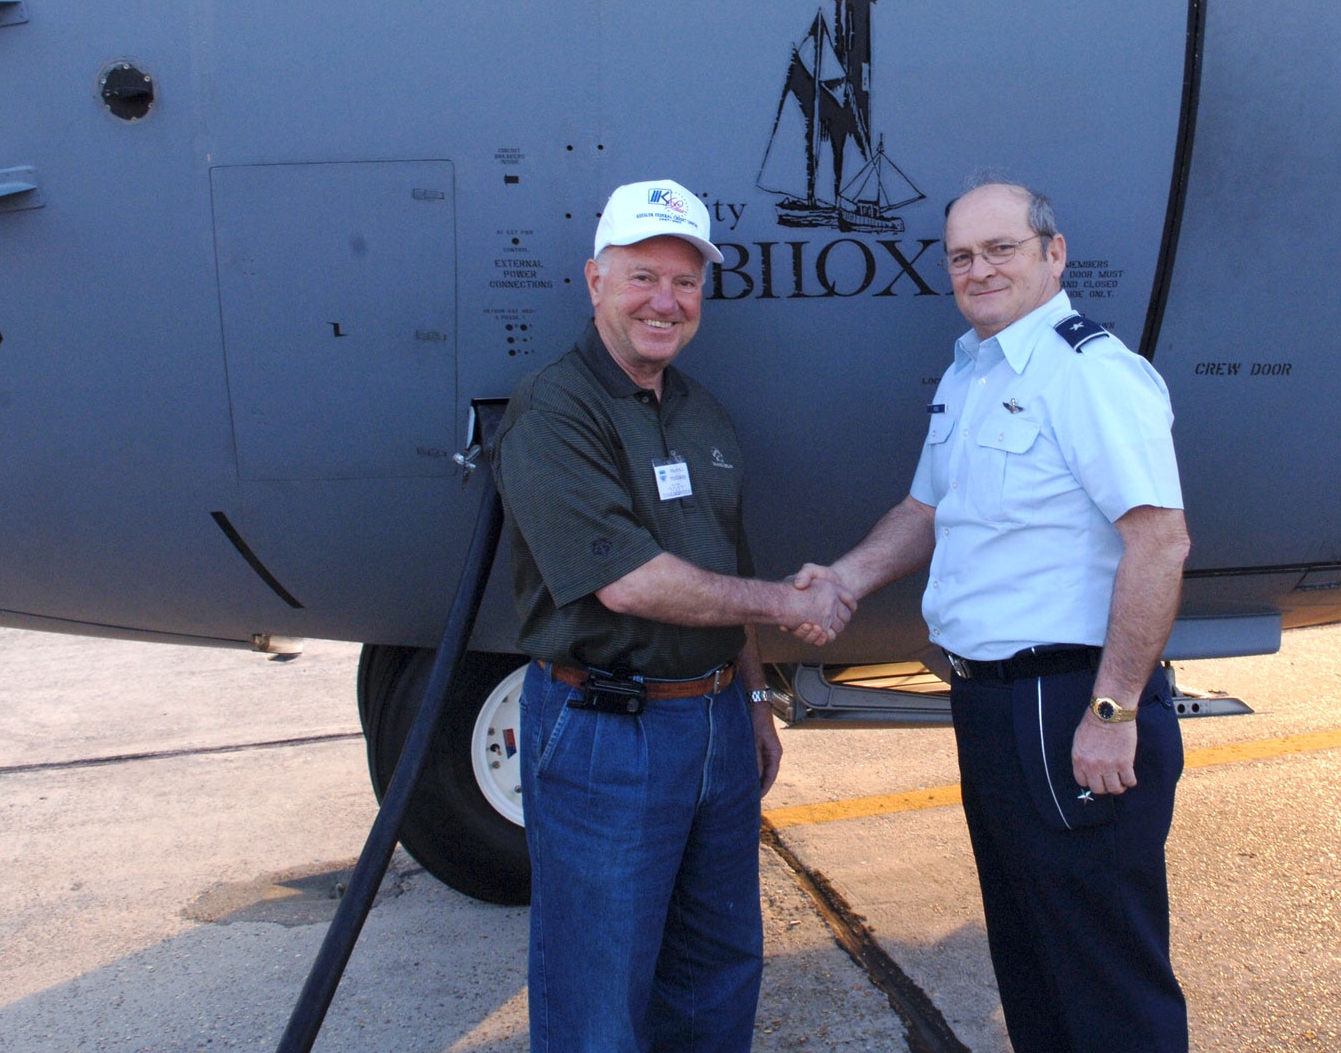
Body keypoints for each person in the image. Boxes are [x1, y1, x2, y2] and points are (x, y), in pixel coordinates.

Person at [796, 176, 1193, 1052]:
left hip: (1070, 706)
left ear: (1054, 254)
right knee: (1033, 964)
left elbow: (1160, 543)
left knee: (1108, 984)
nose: (979, 270)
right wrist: (847, 580)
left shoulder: (1089, 373)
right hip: (991, 707)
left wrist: (1113, 710)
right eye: (962, 257)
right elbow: (927, 512)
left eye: (1001, 249)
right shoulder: (972, 371)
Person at [495, 178, 855, 1053]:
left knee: (718, 969)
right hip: (602, 733)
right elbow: (630, 584)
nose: (667, 301)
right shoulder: (554, 410)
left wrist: (754, 700)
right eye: (643, 277)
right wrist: (791, 601)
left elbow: (718, 568)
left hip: (714, 727)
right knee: (600, 993)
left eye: (686, 282)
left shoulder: (702, 413)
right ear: (595, 281)